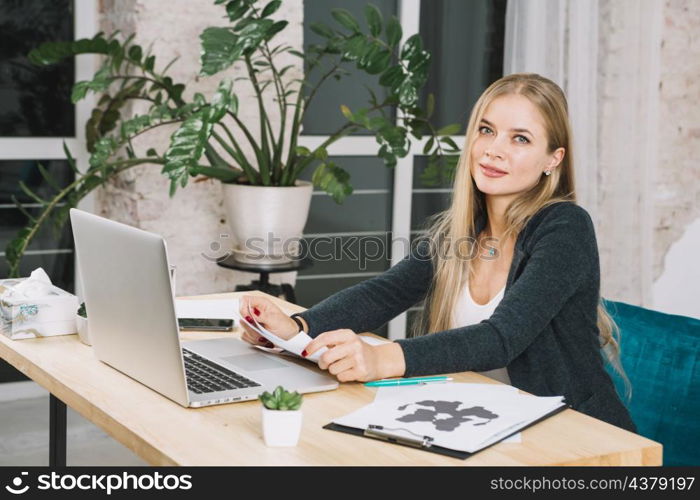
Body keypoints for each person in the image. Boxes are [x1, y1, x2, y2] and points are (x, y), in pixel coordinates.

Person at [238, 73, 636, 432]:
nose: (493, 150)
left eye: (520, 138)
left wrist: (381, 359)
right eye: (486, 130)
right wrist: (298, 329)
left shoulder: (565, 227)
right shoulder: (458, 232)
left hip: (575, 438)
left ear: (553, 159)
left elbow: (501, 339)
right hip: (485, 428)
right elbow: (385, 293)